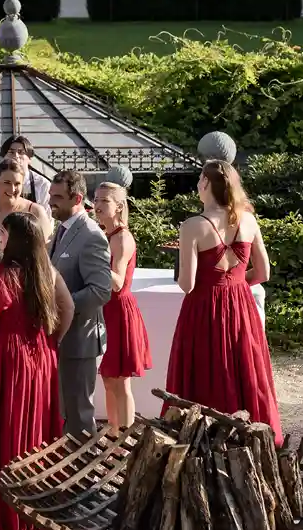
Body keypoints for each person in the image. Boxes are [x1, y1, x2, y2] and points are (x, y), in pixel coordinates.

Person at [0, 213, 73, 530]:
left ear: (13, 239)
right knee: (34, 432)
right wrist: (50, 341)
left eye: (1, 232)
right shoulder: (45, 271)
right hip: (40, 358)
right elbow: (67, 308)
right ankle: (35, 508)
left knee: (2, 429)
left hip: (4, 360)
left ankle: (2, 513)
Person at [166, 160, 283, 441]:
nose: (197, 185)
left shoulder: (193, 225)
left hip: (203, 307)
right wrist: (237, 285)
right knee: (244, 368)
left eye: (199, 180)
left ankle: (202, 437)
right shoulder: (248, 219)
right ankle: (251, 436)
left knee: (207, 370)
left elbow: (187, 284)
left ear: (206, 183)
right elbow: (264, 272)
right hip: (242, 305)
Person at [48, 170, 112, 438]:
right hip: (64, 338)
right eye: (51, 196)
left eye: (58, 198)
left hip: (80, 340)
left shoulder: (91, 235)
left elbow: (100, 290)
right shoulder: (62, 230)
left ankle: (85, 478)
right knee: (64, 412)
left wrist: (60, 306)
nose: (51, 202)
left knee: (79, 414)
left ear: (77, 198)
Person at [93, 182, 151, 429]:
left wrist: (94, 260)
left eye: (104, 201)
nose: (96, 205)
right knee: (108, 379)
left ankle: (125, 440)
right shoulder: (106, 235)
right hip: (107, 310)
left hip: (119, 311)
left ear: (118, 207)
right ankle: (113, 436)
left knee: (121, 382)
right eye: (95, 199)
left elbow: (117, 282)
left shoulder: (122, 239)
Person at [0, 160, 52, 274]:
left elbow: (45, 256)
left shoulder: (36, 212)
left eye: (17, 184)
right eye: (7, 182)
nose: (12, 189)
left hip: (25, 284)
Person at [0, 136, 51, 212]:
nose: (16, 156)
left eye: (21, 152)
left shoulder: (42, 185)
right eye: (11, 152)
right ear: (4, 158)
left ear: (29, 159)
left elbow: (47, 220)